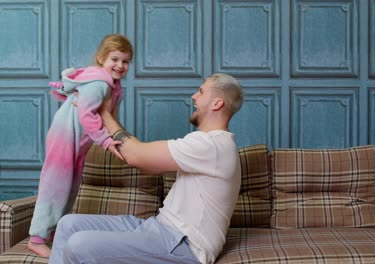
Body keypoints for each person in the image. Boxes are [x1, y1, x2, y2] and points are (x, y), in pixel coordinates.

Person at [48, 73, 245, 264]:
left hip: (186, 246)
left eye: (201, 92)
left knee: (79, 245)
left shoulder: (213, 146)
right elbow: (146, 166)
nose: (194, 96)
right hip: (160, 228)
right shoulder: (211, 145)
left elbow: (136, 156)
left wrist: (103, 114)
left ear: (217, 103)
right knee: (68, 224)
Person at [28, 34, 132, 257]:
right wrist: (105, 140)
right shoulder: (99, 83)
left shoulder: (115, 87)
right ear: (101, 58)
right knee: (55, 185)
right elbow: (86, 114)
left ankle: (55, 231)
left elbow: (109, 117)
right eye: (115, 59)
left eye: (125, 61)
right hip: (65, 137)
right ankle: (36, 238)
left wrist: (118, 137)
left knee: (70, 186)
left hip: (78, 142)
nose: (120, 65)